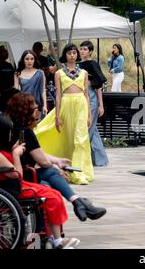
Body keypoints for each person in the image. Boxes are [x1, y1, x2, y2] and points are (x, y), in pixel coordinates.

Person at [0, 113, 80, 249]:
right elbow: (18, 174)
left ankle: (54, 237)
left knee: (52, 192)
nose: (11, 134)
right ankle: (57, 240)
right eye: (9, 131)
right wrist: (16, 154)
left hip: (11, 186)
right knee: (52, 197)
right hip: (10, 189)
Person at [6, 92, 106, 221]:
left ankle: (78, 203)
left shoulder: (16, 129)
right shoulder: (26, 132)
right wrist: (54, 166)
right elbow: (43, 161)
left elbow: (34, 152)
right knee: (51, 174)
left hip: (20, 171)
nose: (39, 113)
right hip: (24, 174)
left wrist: (57, 160)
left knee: (52, 178)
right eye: (36, 109)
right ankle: (78, 203)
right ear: (27, 111)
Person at [34, 43, 93, 185]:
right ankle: (68, 169)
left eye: (74, 53)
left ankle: (80, 172)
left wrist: (89, 114)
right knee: (68, 139)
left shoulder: (84, 73)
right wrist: (57, 116)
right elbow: (58, 95)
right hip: (66, 105)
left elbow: (86, 94)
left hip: (81, 105)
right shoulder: (59, 73)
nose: (72, 55)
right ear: (65, 55)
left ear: (77, 55)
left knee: (80, 138)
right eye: (69, 53)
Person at [79, 40, 109, 166]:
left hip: (91, 97)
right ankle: (100, 159)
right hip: (80, 96)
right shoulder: (78, 65)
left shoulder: (92, 64)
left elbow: (99, 85)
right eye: (81, 49)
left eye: (85, 49)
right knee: (93, 129)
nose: (82, 51)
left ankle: (83, 158)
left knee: (88, 127)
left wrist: (100, 104)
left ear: (90, 51)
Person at [14, 50, 48, 117]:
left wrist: (45, 105)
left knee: (38, 126)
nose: (29, 61)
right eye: (27, 59)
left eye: (32, 59)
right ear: (23, 60)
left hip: (38, 105)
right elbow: (16, 92)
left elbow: (43, 90)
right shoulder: (17, 73)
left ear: (34, 60)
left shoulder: (40, 73)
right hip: (24, 106)